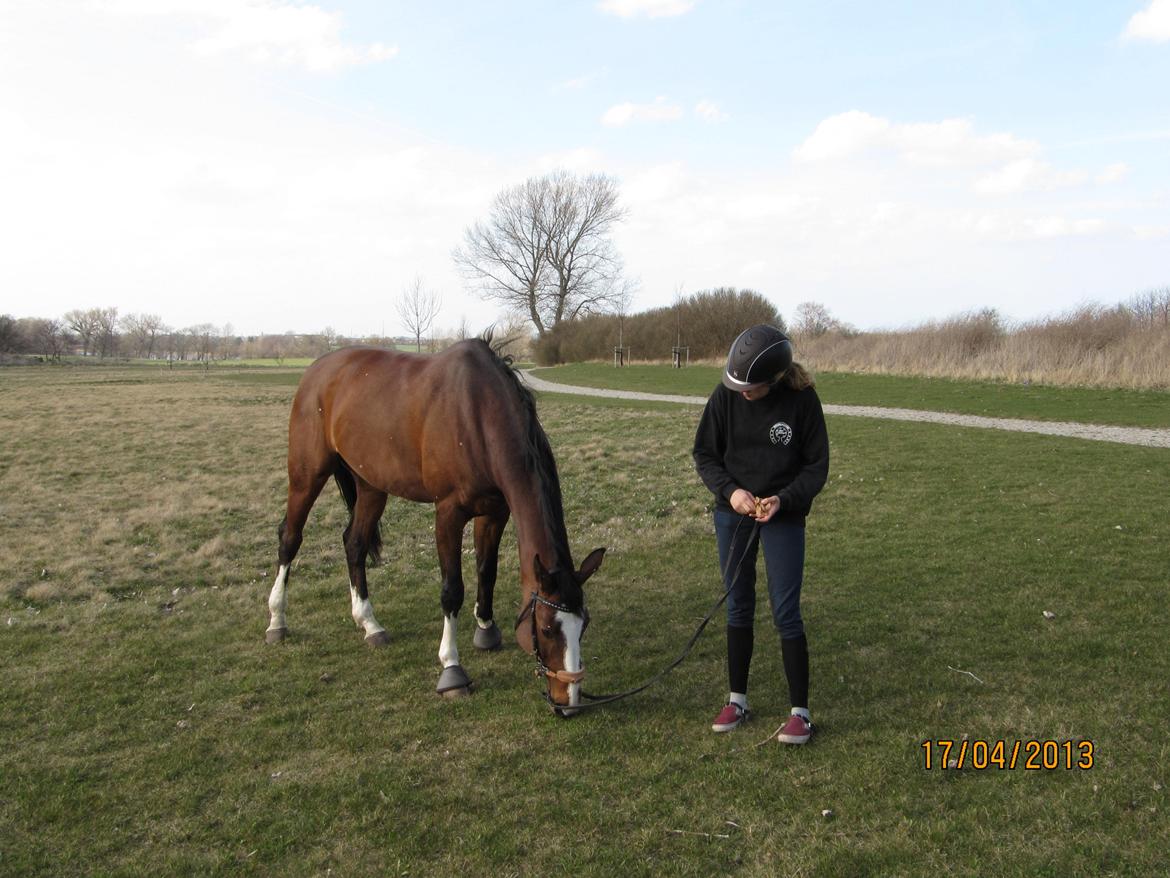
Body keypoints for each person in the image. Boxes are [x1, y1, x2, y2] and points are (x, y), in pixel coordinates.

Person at [693, 324, 829, 744]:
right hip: (733, 514)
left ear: (773, 379)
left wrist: (782, 500)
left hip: (783, 516)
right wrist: (731, 492)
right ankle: (738, 700)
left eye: (750, 387)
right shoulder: (725, 398)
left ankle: (800, 713)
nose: (742, 392)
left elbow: (815, 466)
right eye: (737, 385)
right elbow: (705, 454)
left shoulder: (802, 401)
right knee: (738, 604)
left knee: (785, 610)